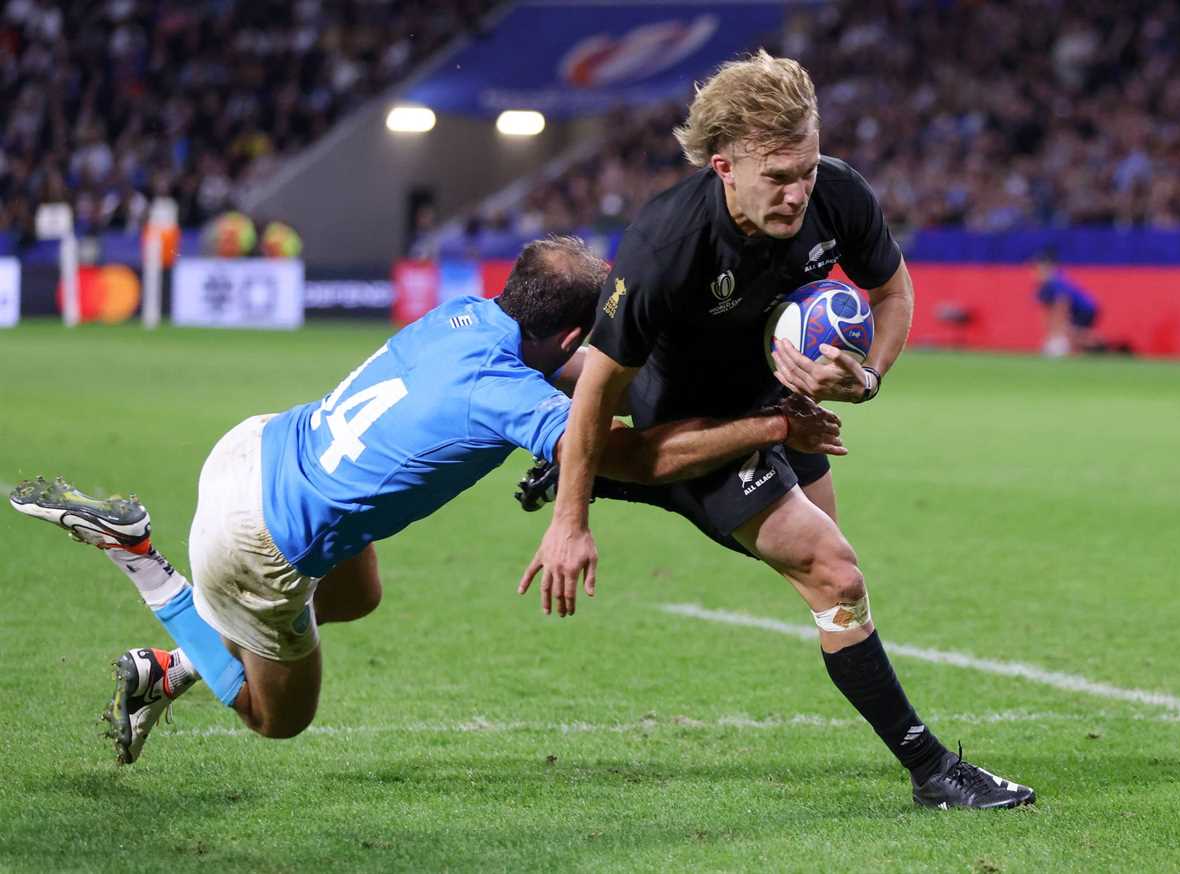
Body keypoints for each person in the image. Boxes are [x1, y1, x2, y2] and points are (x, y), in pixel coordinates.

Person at [9, 235, 845, 765]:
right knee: (276, 720)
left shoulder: (464, 317)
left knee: (358, 593)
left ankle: (178, 662)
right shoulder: (505, 389)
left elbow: (585, 391)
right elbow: (618, 448)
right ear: (566, 337)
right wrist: (767, 424)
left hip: (259, 447)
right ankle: (143, 562)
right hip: (257, 535)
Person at [520, 51, 1035, 809]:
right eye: (778, 176)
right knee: (835, 573)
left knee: (829, 560)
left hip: (777, 409)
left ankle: (631, 478)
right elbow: (599, 384)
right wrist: (570, 520)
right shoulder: (668, 242)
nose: (798, 193)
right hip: (688, 419)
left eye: (807, 169)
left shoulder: (839, 194)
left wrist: (870, 377)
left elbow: (892, 289)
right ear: (725, 166)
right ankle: (934, 771)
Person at [1033, 250, 1100, 357]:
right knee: (1071, 333)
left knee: (1071, 333)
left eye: (1040, 268)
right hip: (1080, 309)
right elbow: (1047, 312)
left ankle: (1101, 345)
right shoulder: (1043, 287)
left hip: (1084, 310)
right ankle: (1096, 346)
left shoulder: (1056, 281)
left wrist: (1057, 332)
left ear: (1049, 268)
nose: (1036, 272)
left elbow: (1062, 306)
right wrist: (1050, 334)